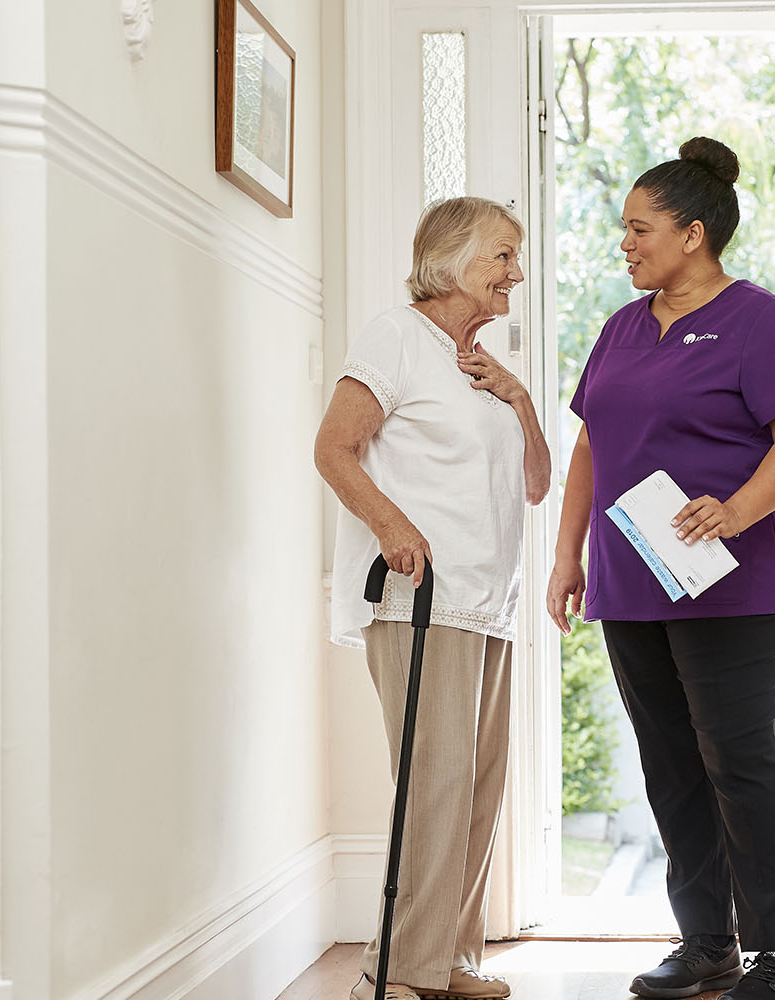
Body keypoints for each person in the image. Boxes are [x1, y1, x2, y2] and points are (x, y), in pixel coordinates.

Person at [547, 137, 775, 1000]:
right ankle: (706, 940)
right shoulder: (620, 329)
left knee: (740, 761)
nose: (625, 244)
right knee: (670, 762)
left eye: (639, 229)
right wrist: (569, 554)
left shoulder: (765, 322)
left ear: (693, 234)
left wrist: (737, 512)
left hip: (735, 587)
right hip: (632, 584)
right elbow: (591, 443)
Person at [318, 196, 551, 1000]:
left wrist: (518, 398)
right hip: (422, 598)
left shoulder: (482, 367)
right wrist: (392, 527)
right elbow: (335, 447)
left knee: (478, 785)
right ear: (452, 259)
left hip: (489, 602)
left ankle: (447, 958)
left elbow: (536, 483)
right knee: (435, 780)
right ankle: (393, 971)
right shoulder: (398, 336)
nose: (515, 273)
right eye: (503, 256)